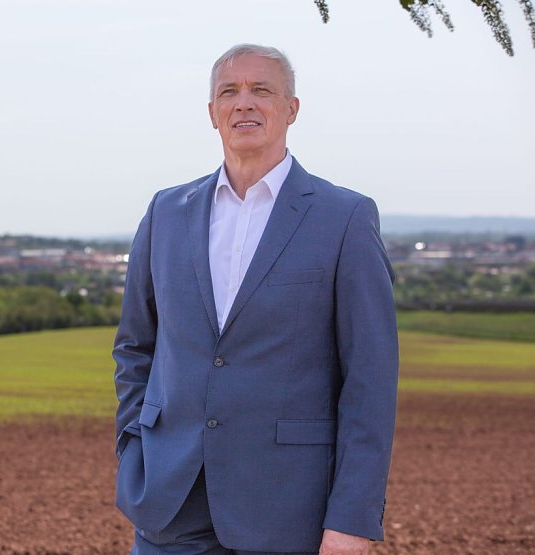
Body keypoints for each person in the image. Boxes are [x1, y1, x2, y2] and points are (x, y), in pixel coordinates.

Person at [113, 44, 399, 555]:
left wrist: (351, 518)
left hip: (290, 512)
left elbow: (370, 382)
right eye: (229, 91)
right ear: (212, 113)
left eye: (261, 90)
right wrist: (134, 449)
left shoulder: (345, 218)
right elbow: (135, 346)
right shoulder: (165, 212)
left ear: (291, 109)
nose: (244, 102)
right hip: (168, 505)